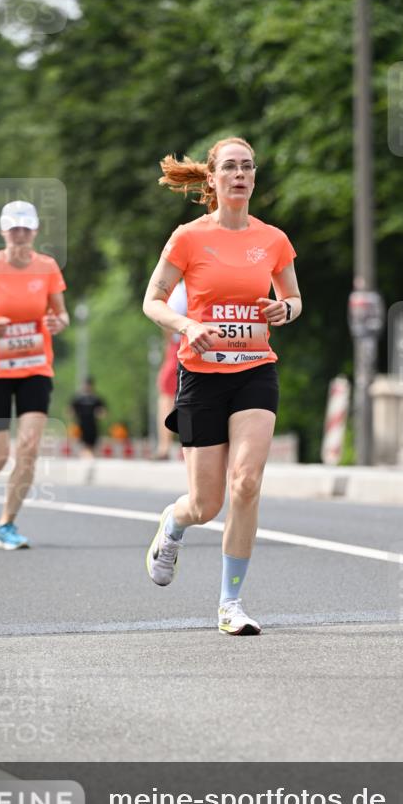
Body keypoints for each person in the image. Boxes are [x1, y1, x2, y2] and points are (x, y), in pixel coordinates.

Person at [142, 136, 302, 635]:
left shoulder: (272, 239)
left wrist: (284, 309)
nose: (240, 175)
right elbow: (153, 300)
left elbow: (294, 298)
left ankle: (230, 604)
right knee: (205, 504)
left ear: (254, 177)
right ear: (211, 179)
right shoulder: (188, 238)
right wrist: (187, 325)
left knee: (246, 483)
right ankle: (174, 522)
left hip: (255, 370)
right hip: (202, 376)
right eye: (230, 167)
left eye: (247, 167)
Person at [0, 200, 68, 549]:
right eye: (14, 229)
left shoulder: (47, 267)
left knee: (29, 447)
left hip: (35, 366)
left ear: (35, 231)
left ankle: (6, 524)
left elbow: (61, 315)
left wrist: (57, 323)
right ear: (3, 231)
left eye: (25, 229)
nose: (20, 235)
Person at [155, 280, 187, 459]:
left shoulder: (181, 289)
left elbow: (167, 323)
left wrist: (169, 346)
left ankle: (165, 446)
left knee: (167, 395)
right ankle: (185, 445)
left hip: (181, 345)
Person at [70, 377, 107, 478]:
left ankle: (90, 465)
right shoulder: (78, 399)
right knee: (84, 447)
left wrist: (100, 413)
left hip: (93, 427)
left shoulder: (96, 399)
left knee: (92, 447)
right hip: (81, 426)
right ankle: (89, 465)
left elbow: (103, 412)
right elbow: (70, 410)